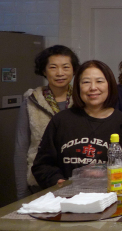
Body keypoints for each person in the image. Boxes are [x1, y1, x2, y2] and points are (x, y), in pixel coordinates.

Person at [32, 60, 122, 189]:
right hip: (67, 198)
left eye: (99, 81)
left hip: (110, 197)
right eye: (86, 82)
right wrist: (57, 182)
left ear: (110, 85)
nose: (93, 87)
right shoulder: (61, 120)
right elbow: (42, 165)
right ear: (78, 87)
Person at [14, 45, 80, 199]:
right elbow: (20, 149)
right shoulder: (31, 102)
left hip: (77, 181)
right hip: (39, 183)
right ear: (44, 71)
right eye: (53, 67)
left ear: (74, 70)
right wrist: (21, 191)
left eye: (65, 67)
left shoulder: (82, 100)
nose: (60, 73)